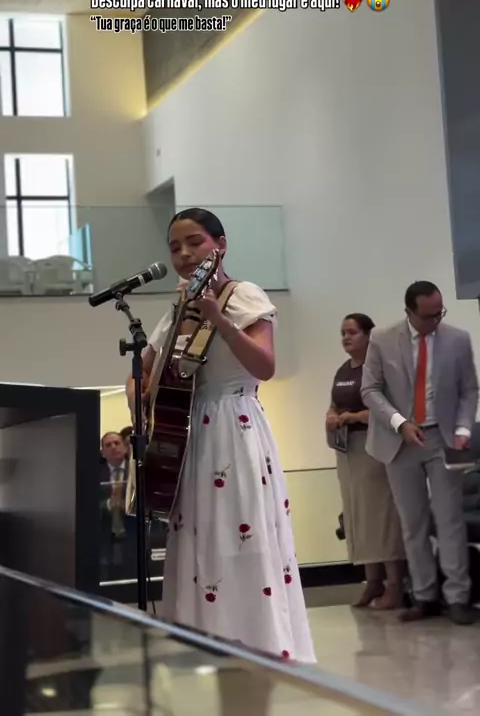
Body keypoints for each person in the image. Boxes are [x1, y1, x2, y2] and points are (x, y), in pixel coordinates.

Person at [126, 208, 315, 662]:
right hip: (188, 436)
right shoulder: (178, 309)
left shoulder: (242, 294)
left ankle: (258, 638)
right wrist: (139, 399)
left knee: (240, 532)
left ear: (221, 245)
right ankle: (209, 636)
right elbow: (141, 369)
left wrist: (220, 319)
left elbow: (264, 366)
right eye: (175, 247)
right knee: (203, 534)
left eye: (195, 242)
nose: (185, 254)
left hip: (233, 427)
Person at [361, 281, 479, 625]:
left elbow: (469, 390)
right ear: (409, 312)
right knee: (413, 522)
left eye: (439, 313)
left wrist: (463, 429)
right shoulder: (382, 339)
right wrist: (399, 423)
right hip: (400, 440)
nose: (435, 321)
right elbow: (370, 390)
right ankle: (425, 596)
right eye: (428, 316)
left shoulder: (457, 339)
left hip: (442, 438)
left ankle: (457, 597)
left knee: (449, 519)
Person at [327, 314, 405, 609]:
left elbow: (391, 410)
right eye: (343, 333)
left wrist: (356, 416)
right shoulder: (343, 370)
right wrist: (331, 416)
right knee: (356, 517)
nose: (346, 338)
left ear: (368, 335)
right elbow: (334, 403)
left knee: (380, 517)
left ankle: (395, 583)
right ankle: (372, 581)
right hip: (348, 450)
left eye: (352, 332)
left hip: (374, 449)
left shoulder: (379, 369)